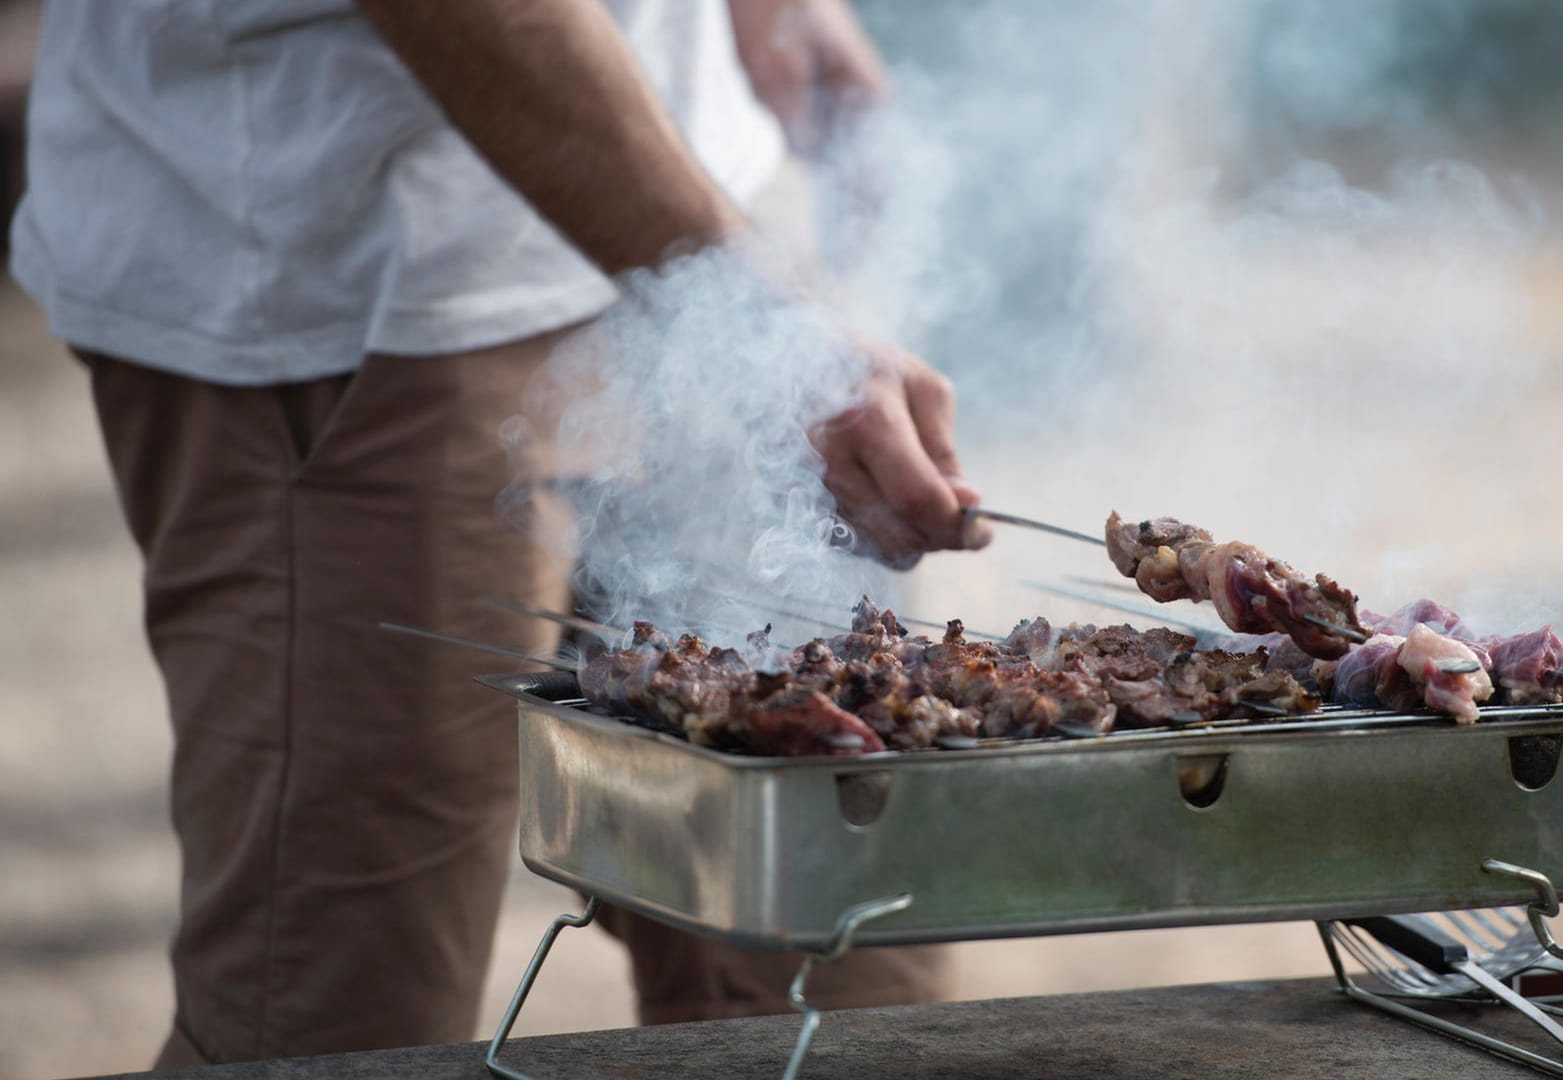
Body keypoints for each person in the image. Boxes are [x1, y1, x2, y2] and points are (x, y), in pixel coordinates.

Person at [10, 0, 989, 1066]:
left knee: (842, 986)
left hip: (714, 234)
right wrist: (768, 318)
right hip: (362, 288)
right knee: (340, 1022)